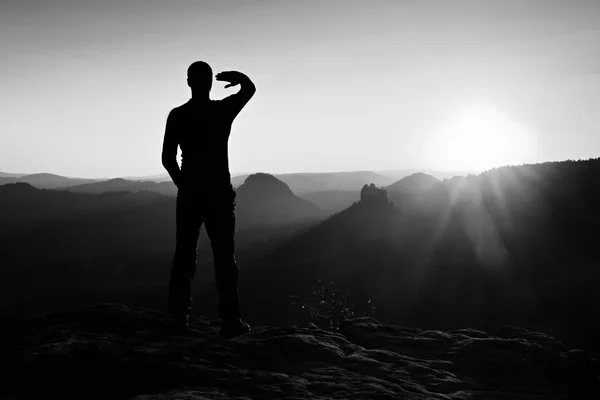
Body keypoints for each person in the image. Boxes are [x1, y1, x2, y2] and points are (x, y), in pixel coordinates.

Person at [161, 61, 256, 337]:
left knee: (184, 257)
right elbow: (249, 90)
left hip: (191, 194)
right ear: (210, 83)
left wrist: (184, 185)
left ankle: (179, 319)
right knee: (225, 258)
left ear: (189, 82)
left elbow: (167, 158)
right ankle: (231, 320)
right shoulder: (221, 111)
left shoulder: (178, 116)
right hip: (219, 195)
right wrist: (237, 78)